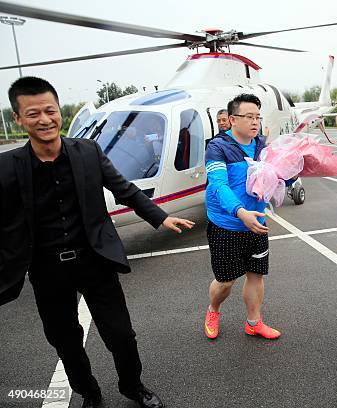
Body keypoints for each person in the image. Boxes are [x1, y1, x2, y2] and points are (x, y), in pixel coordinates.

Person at [0, 77, 195, 408]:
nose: (45, 119)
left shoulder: (87, 152)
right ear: (18, 119)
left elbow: (125, 188)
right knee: (66, 342)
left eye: (50, 110)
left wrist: (160, 217)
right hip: (46, 271)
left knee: (121, 336)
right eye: (33, 114)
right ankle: (89, 393)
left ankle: (133, 387)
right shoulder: (6, 166)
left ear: (59, 111)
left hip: (95, 260)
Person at [203, 94, 283, 340]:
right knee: (226, 282)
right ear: (231, 119)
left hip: (256, 223)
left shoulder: (262, 145)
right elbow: (218, 185)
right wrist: (240, 212)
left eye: (258, 117)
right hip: (226, 224)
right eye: (249, 117)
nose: (255, 121)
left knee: (256, 275)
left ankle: (253, 322)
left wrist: (297, 168)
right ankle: (213, 310)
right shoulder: (217, 147)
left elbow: (276, 174)